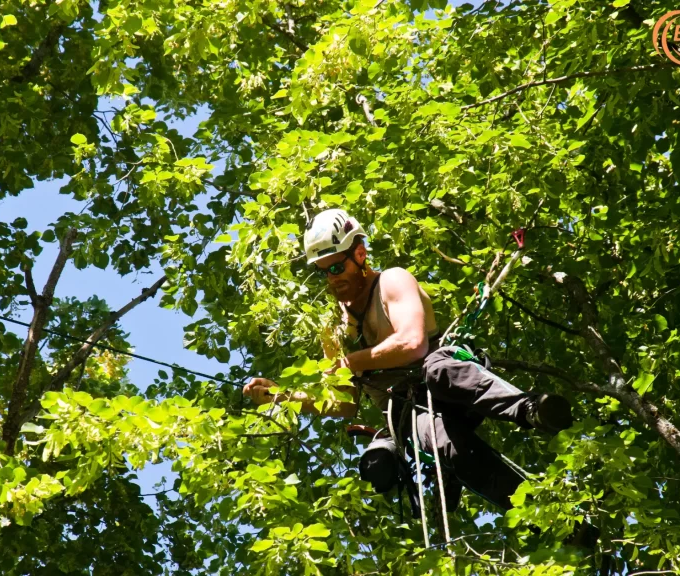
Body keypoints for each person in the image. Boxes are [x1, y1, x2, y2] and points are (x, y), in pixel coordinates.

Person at [243, 208, 574, 512]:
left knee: (436, 370)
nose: (331, 278)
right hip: (407, 409)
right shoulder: (332, 330)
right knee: (449, 448)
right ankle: (542, 515)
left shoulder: (391, 281)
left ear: (359, 255)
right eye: (322, 272)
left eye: (336, 267)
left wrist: (348, 363)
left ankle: (531, 409)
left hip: (451, 380)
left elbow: (413, 344)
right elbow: (344, 404)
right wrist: (281, 396)